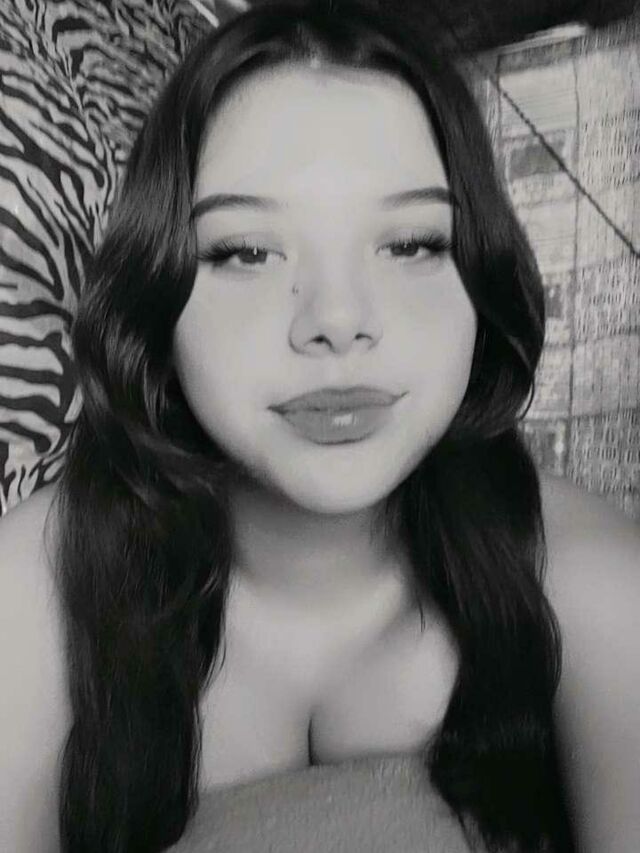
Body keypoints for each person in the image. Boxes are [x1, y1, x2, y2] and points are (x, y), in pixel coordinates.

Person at [1, 0, 639, 851]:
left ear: (481, 272)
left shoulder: (596, 582)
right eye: (245, 251)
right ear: (155, 291)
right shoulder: (32, 590)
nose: (338, 320)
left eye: (411, 243)